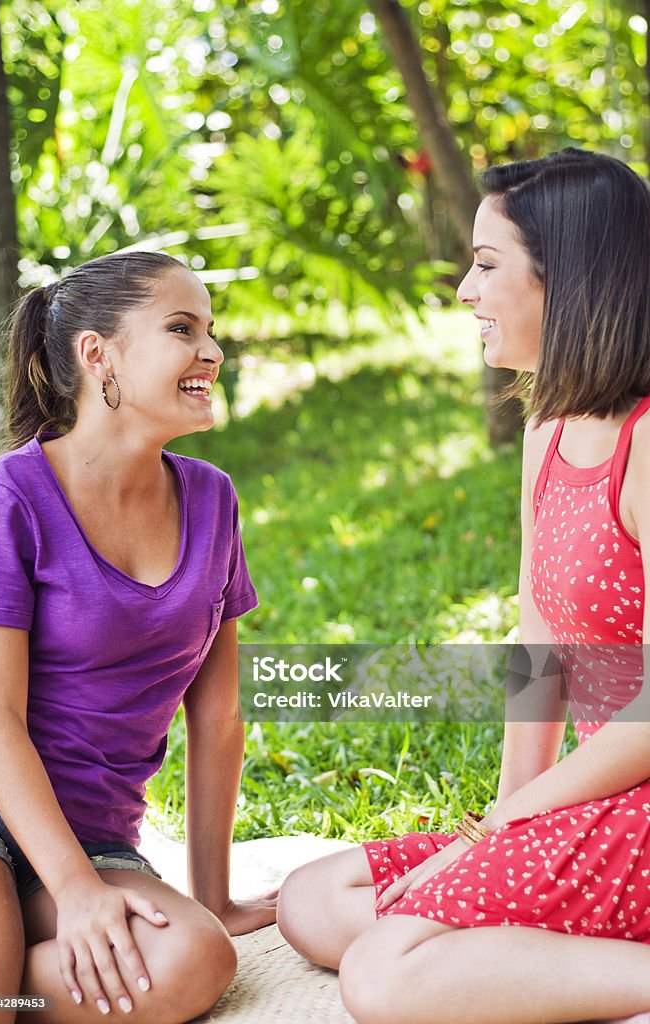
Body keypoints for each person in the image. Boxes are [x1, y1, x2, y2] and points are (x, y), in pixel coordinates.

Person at [277, 148, 650, 1024]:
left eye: (486, 267)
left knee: (383, 977)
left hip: (638, 808)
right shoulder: (550, 429)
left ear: (574, 277)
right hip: (591, 801)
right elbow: (538, 643)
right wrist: (502, 820)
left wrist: (496, 839)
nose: (464, 294)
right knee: (312, 902)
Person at [0, 251, 276, 1023]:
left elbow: (219, 717)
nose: (211, 351)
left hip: (96, 832)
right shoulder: (7, 498)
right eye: (182, 329)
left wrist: (216, 898)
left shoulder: (213, 500)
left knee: (196, 956)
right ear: (96, 353)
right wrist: (75, 896)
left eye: (212, 331)